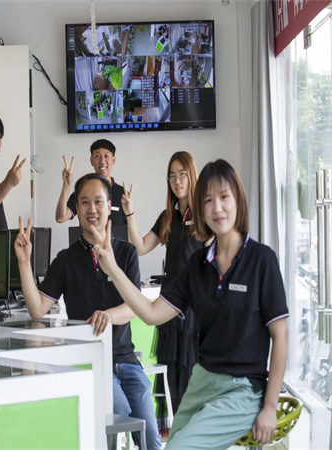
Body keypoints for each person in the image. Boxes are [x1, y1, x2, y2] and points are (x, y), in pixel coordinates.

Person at [89, 160, 289, 449]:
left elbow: (280, 336)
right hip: (202, 381)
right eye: (208, 200)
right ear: (200, 208)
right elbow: (152, 313)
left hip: (243, 387)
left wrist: (270, 406)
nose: (217, 207)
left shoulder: (261, 260)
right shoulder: (198, 265)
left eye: (224, 197)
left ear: (238, 200)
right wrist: (113, 269)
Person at [15, 173, 162, 450]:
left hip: (126, 360)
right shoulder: (65, 260)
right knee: (120, 413)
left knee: (151, 436)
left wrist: (108, 315)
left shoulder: (127, 253)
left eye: (98, 201)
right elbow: (37, 309)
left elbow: (134, 307)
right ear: (77, 209)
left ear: (109, 207)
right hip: (92, 361)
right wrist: (24, 263)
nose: (91, 209)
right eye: (84, 202)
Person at [123, 151, 202, 430]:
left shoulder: (204, 215)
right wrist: (129, 214)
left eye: (182, 174)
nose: (177, 181)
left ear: (192, 176)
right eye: (172, 176)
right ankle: (180, 435)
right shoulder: (168, 216)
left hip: (195, 305)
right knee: (173, 379)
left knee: (193, 379)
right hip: (170, 303)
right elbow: (141, 247)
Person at [55, 139, 127, 225]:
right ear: (92, 161)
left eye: (106, 156)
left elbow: (129, 228)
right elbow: (60, 218)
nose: (102, 161)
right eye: (97, 156)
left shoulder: (123, 194)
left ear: (113, 160)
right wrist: (66, 185)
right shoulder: (83, 190)